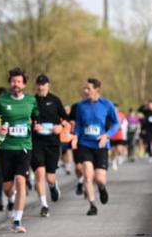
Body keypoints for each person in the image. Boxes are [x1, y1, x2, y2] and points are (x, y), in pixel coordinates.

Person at [0, 68, 37, 233]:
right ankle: (10, 198)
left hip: (24, 146)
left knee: (21, 181)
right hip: (6, 147)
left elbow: (37, 116)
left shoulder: (31, 101)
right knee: (8, 187)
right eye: (13, 81)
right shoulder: (1, 101)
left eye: (18, 81)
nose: (15, 84)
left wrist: (36, 124)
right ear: (10, 83)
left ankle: (17, 219)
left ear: (24, 84)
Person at [72, 78, 120, 217]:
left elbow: (116, 123)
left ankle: (102, 188)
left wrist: (107, 135)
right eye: (85, 88)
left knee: (100, 178)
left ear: (97, 90)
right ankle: (92, 205)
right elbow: (79, 124)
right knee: (87, 174)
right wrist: (75, 136)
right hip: (85, 144)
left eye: (88, 88)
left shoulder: (107, 104)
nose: (85, 91)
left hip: (101, 145)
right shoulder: (81, 106)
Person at [31, 73, 67, 217]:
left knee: (49, 177)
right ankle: (44, 205)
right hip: (36, 142)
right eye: (39, 84)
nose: (41, 87)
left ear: (48, 85)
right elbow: (26, 120)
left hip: (52, 142)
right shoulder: (31, 101)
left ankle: (53, 186)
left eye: (44, 84)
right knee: (39, 173)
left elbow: (66, 118)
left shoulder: (55, 100)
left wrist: (61, 127)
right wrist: (32, 126)